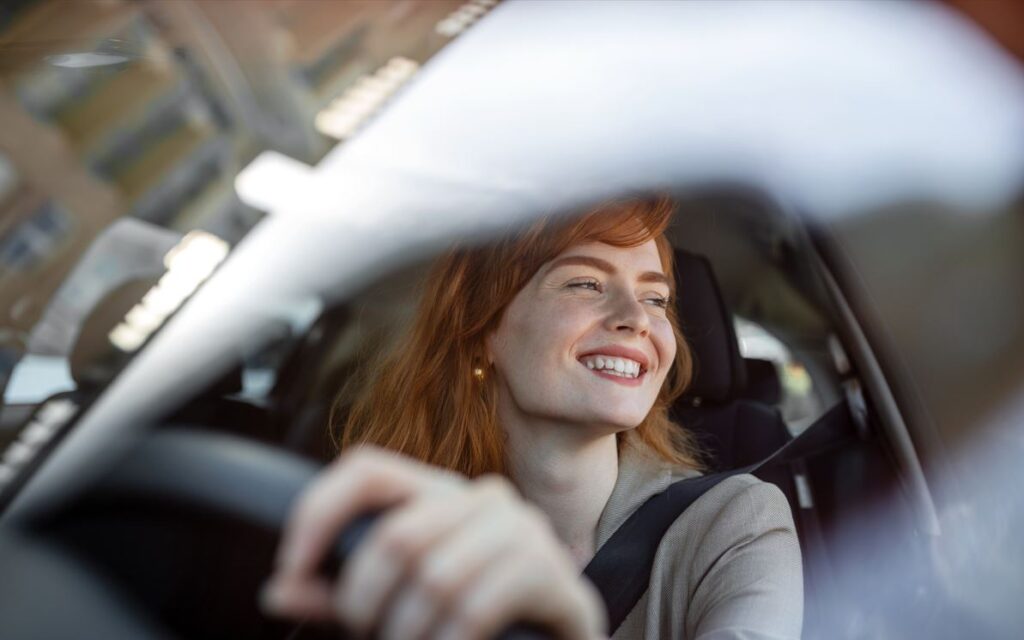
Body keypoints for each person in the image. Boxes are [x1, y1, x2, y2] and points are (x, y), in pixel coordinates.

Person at [261, 196, 803, 639]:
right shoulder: (400, 536)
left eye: (656, 299)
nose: (637, 318)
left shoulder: (736, 523)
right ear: (484, 335)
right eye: (585, 283)